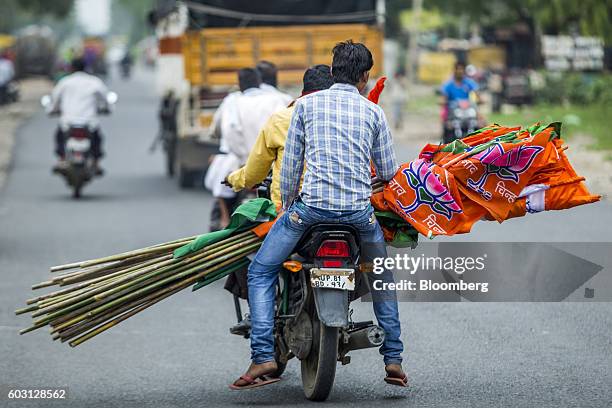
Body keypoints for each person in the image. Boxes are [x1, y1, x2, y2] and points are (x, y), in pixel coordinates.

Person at [231, 40, 406, 390]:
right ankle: (394, 358)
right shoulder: (373, 113)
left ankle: (263, 354)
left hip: (309, 213)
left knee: (261, 270)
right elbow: (389, 171)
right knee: (381, 277)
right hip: (359, 217)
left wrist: (289, 208)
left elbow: (292, 167)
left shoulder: (305, 109)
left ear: (334, 69)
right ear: (364, 78)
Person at [225, 64, 334, 209]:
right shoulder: (348, 116)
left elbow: (254, 174)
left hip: (289, 210)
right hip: (346, 208)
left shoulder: (280, 119)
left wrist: (232, 179)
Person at [204, 68, 286, 229]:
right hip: (271, 161)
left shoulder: (233, 101)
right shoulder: (278, 99)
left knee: (221, 183)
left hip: (241, 160)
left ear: (240, 84)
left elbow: (227, 130)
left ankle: (224, 220)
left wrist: (243, 158)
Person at [49, 57, 111, 174]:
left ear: (71, 68)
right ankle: (96, 163)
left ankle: (61, 159)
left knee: (59, 136)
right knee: (97, 138)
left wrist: (52, 110)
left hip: (68, 121)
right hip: (89, 121)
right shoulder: (94, 82)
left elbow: (55, 100)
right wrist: (107, 109)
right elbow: (105, 99)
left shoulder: (65, 82)